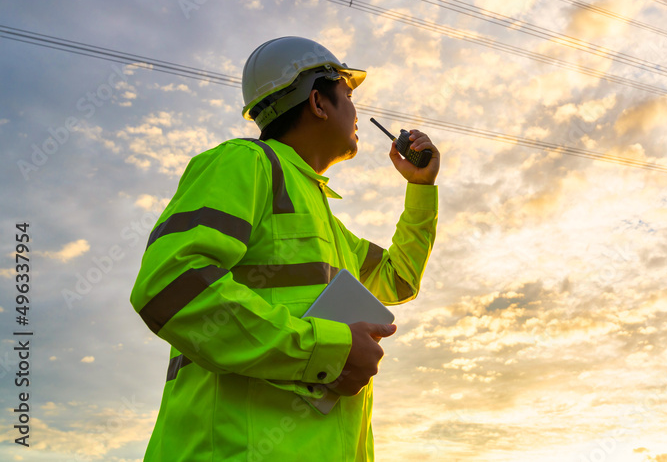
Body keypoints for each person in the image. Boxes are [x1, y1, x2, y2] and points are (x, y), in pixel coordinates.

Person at [130, 36, 440, 461]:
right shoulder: (245, 163)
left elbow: (398, 278)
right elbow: (170, 285)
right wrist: (329, 349)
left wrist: (420, 190)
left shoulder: (326, 222)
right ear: (318, 101)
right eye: (347, 95)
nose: (355, 110)